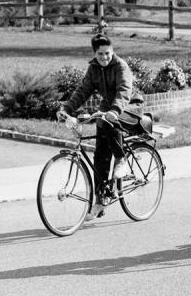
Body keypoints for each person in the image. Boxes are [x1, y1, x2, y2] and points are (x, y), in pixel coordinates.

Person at [57, 34, 134, 218]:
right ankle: (100, 202)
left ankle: (121, 159)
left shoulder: (121, 66)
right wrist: (66, 108)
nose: (104, 57)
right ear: (95, 53)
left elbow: (124, 91)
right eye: (100, 54)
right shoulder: (94, 69)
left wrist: (115, 110)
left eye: (107, 53)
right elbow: (83, 91)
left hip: (129, 107)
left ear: (112, 50)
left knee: (108, 120)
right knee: (100, 157)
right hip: (108, 109)